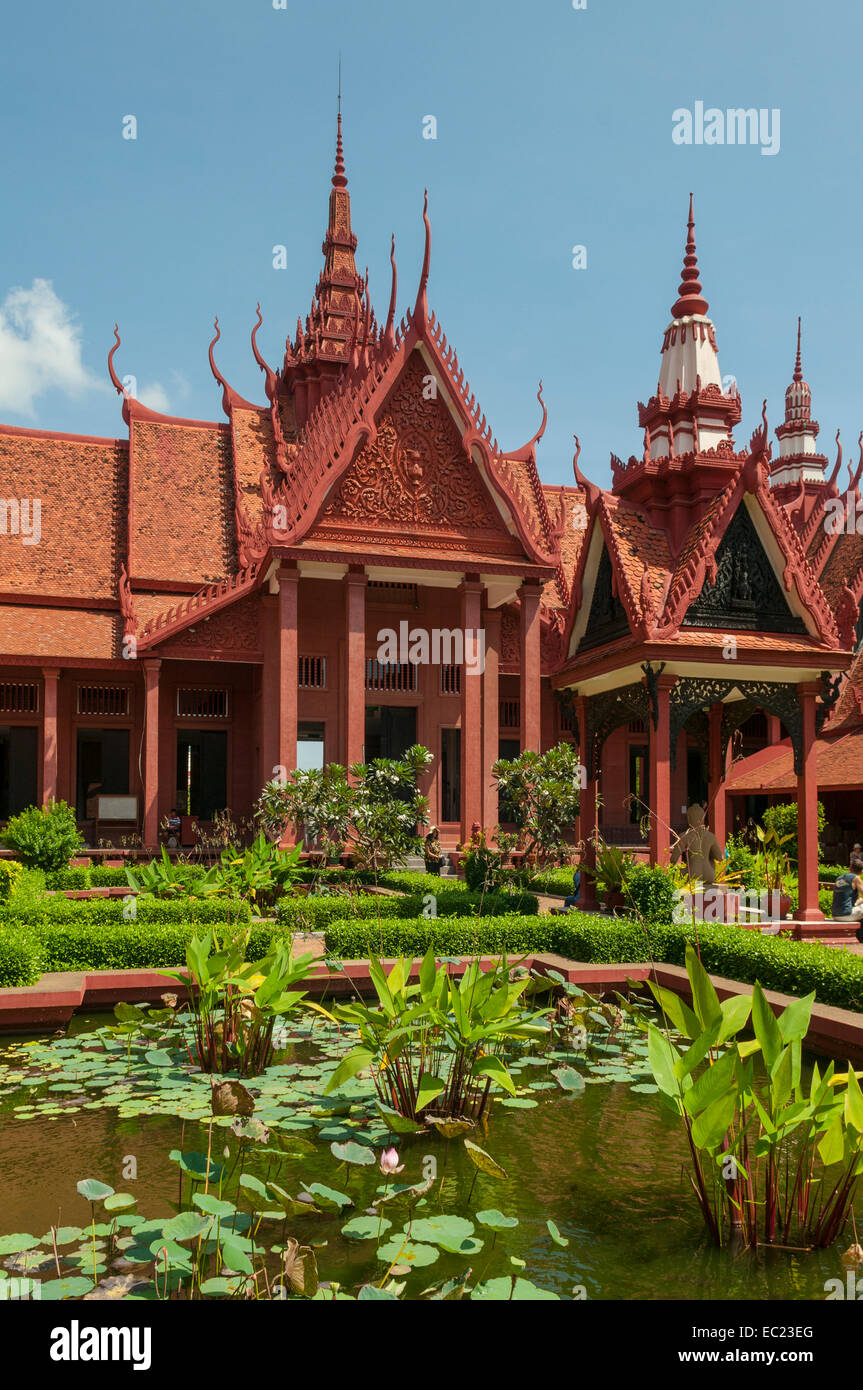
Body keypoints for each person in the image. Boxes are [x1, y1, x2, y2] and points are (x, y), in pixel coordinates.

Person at [671, 805, 724, 885]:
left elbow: (673, 859)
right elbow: (720, 858)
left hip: (692, 875)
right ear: (703, 818)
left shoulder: (684, 836)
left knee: (674, 873)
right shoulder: (711, 836)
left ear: (689, 818)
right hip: (709, 875)